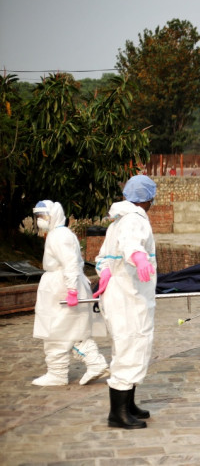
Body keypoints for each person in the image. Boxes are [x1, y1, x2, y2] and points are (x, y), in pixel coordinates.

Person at [93, 175, 157, 429]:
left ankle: (128, 404)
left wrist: (106, 271)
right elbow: (132, 245)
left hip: (124, 292)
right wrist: (139, 258)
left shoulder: (118, 221)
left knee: (133, 345)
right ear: (148, 199)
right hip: (129, 295)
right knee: (130, 346)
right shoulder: (134, 220)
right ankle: (117, 413)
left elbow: (103, 256)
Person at [31, 200, 109, 386]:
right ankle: (94, 363)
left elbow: (70, 263)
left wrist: (72, 289)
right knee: (73, 329)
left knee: (57, 331)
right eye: (39, 217)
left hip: (62, 286)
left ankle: (58, 373)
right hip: (62, 284)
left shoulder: (59, 236)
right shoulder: (60, 234)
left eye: (43, 216)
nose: (41, 220)